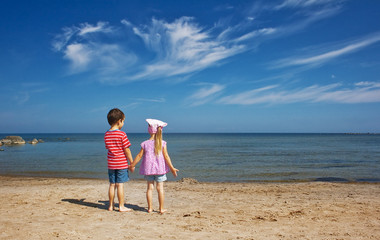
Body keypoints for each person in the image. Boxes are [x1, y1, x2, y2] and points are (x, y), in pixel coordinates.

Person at [130, 119, 179, 214]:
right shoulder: (162, 143)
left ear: (150, 129)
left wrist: (132, 165)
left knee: (149, 188)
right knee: (160, 188)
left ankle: (150, 208)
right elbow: (166, 156)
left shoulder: (145, 143)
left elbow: (139, 156)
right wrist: (172, 168)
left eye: (148, 126)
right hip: (160, 170)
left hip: (149, 170)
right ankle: (161, 208)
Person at [104, 108, 134, 212]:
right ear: (119, 121)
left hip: (111, 164)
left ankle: (110, 206)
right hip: (121, 164)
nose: (123, 123)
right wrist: (132, 162)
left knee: (112, 185)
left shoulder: (106, 134)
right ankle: (121, 206)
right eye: (123, 121)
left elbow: (108, 148)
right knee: (120, 185)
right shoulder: (122, 134)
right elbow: (127, 150)